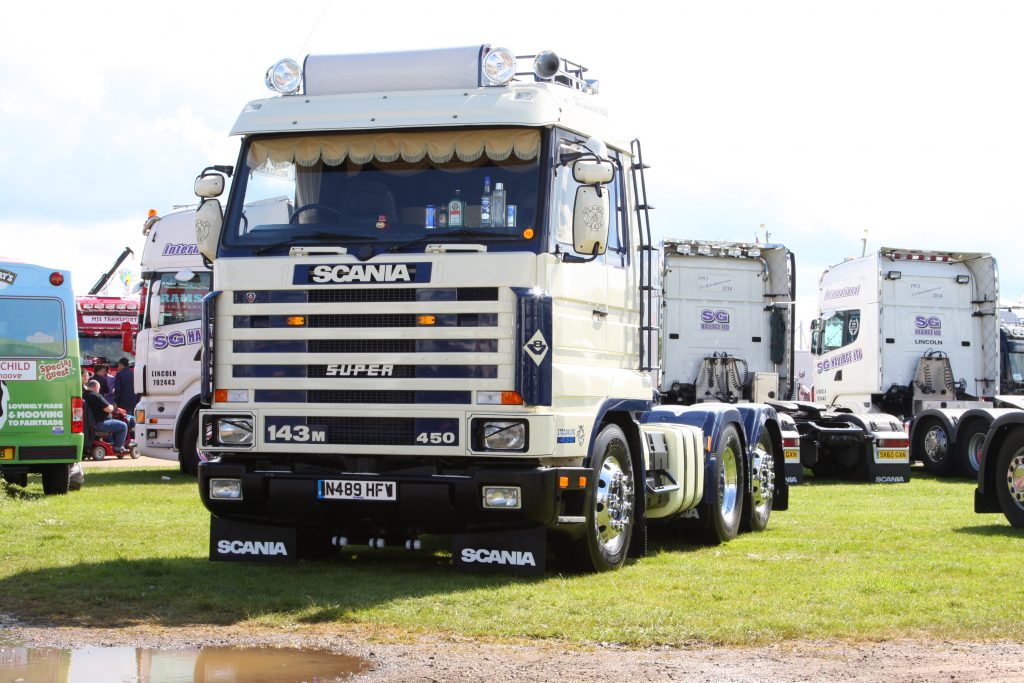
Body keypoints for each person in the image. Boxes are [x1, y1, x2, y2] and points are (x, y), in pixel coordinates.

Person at [84, 379, 128, 454]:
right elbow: (108, 408)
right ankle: (118, 447)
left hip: (89, 424)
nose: (98, 390)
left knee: (115, 423)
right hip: (100, 423)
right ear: (95, 387)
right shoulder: (95, 395)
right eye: (98, 388)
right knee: (123, 426)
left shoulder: (83, 395)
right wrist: (112, 407)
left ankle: (112, 443)